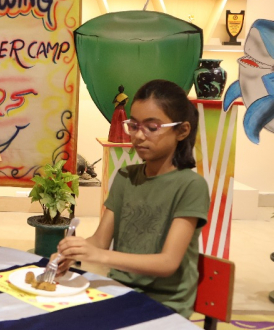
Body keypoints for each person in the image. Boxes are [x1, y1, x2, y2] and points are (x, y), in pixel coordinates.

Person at [56, 79, 210, 317]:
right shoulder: (126, 177)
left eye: (152, 127)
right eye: (134, 125)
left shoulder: (191, 186)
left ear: (182, 131)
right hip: (119, 291)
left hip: (165, 304)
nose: (139, 135)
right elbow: (99, 241)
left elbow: (168, 263)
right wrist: (74, 251)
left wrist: (100, 256)